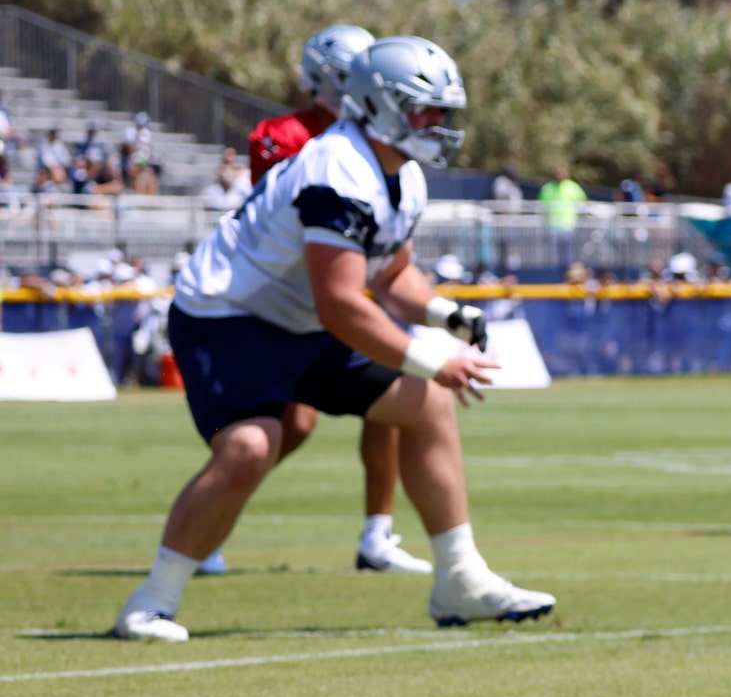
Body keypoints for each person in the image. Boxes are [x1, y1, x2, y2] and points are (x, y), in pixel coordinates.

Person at [112, 37, 546, 641]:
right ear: (378, 105)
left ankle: (460, 580)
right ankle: (150, 601)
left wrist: (447, 314)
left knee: (426, 405)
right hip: (230, 316)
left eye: (443, 113)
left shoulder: (403, 174)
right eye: (426, 110)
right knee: (251, 445)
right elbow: (342, 304)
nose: (439, 125)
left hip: (301, 318)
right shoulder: (337, 168)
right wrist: (430, 358)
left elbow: (390, 275)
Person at [245, 26, 431, 576]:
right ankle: (212, 520)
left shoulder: (381, 145)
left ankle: (378, 533)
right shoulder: (289, 137)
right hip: (288, 298)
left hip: (348, 288)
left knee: (396, 399)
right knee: (291, 426)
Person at [538, 166, 585, 269]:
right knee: (552, 254)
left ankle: (567, 274)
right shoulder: (548, 188)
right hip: (552, 226)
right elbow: (541, 205)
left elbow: (582, 201)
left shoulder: (572, 187)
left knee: (568, 253)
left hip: (568, 225)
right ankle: (553, 274)